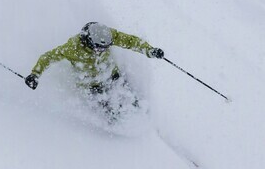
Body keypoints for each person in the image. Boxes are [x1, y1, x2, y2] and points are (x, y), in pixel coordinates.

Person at [24, 21, 164, 117]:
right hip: (91, 85)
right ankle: (119, 127)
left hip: (112, 75)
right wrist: (35, 74)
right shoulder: (72, 48)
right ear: (88, 41)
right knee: (112, 112)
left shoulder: (107, 34)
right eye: (98, 48)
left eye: (105, 48)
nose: (101, 51)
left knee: (133, 102)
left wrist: (150, 50)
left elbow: (130, 41)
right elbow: (48, 57)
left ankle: (142, 115)